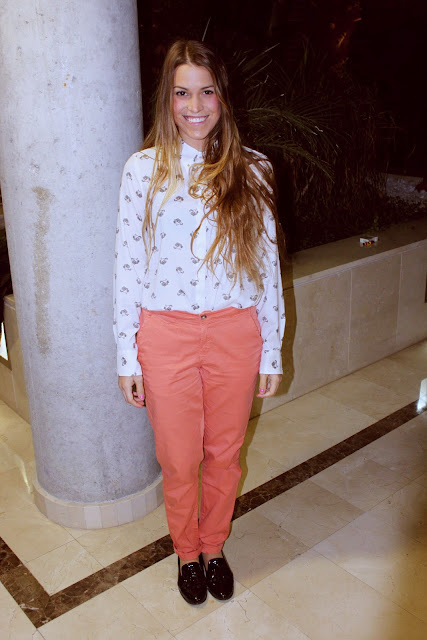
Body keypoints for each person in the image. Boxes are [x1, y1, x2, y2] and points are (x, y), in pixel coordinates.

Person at [114, 39, 285, 606]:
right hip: (166, 334)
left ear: (222, 98)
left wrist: (271, 348)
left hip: (236, 331)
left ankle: (213, 547)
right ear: (166, 100)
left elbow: (266, 265)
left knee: (225, 454)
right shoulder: (142, 171)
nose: (195, 106)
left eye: (206, 92)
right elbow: (128, 265)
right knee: (178, 456)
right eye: (182, 92)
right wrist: (126, 354)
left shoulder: (254, 169)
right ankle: (186, 551)